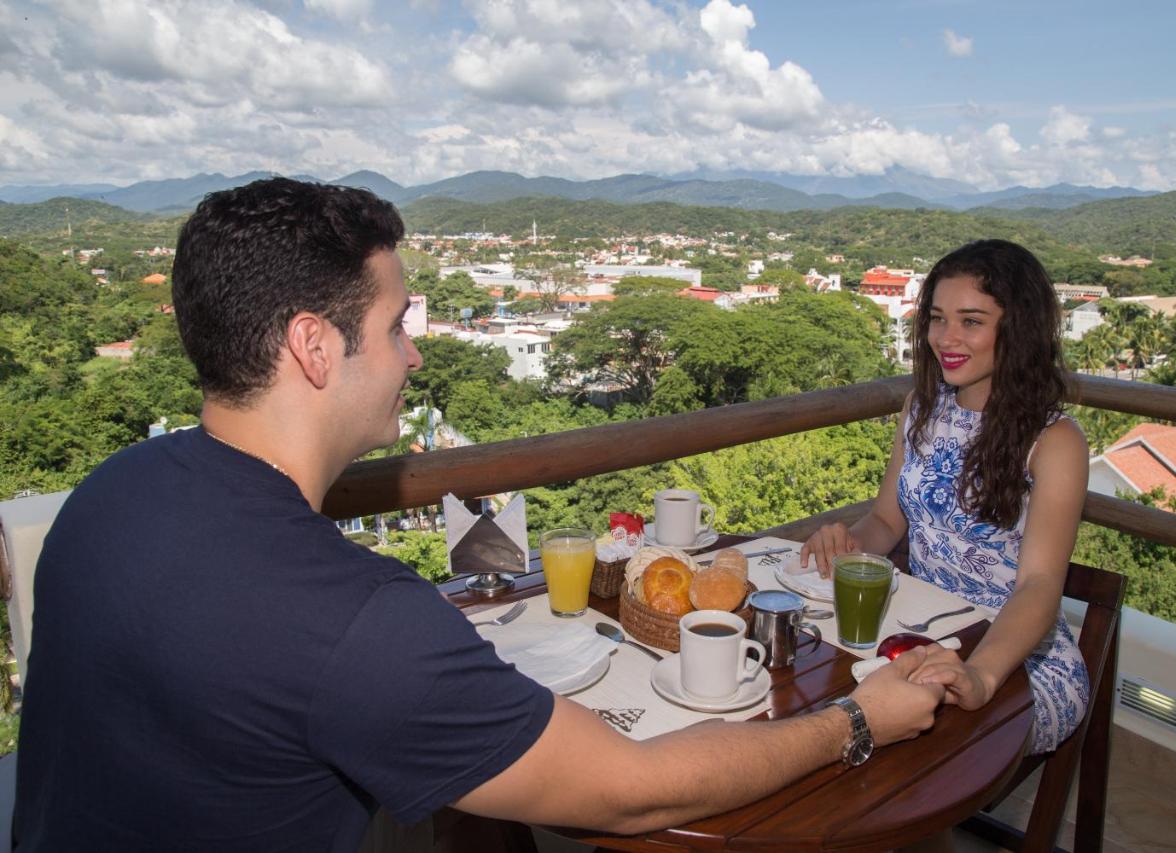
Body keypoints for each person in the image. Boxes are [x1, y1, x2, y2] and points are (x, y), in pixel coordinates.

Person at [13, 177, 945, 852]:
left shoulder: (112, 491)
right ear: (312, 345)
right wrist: (855, 720)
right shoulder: (353, 617)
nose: (414, 356)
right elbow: (632, 792)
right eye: (397, 325)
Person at [801, 239, 1090, 755]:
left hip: (1018, 662)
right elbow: (887, 522)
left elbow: (1040, 585)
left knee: (900, 747)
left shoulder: (1054, 442)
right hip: (924, 629)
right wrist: (846, 545)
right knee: (829, 704)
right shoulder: (923, 408)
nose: (946, 338)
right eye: (937, 318)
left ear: (1016, 329)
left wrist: (980, 675)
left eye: (972, 321)